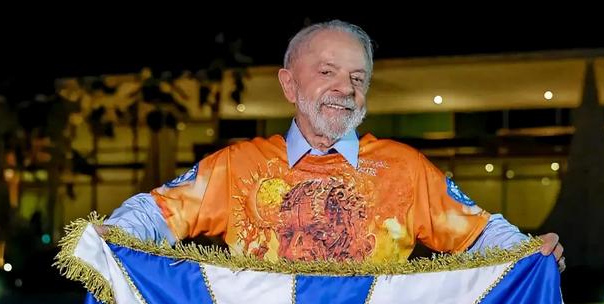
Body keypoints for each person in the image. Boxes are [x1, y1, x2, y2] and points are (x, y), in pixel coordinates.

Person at [100, 20, 565, 269]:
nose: (346, 88)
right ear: (288, 84)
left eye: (357, 78)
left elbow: (478, 232)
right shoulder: (237, 166)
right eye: (327, 73)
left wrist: (530, 253)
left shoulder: (404, 168)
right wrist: (111, 236)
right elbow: (156, 213)